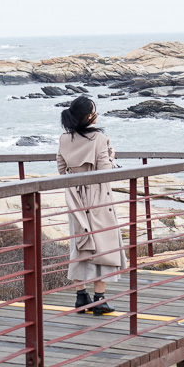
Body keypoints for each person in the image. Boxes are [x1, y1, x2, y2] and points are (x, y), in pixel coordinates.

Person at [56, 96, 124, 315]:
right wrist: (113, 157)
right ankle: (99, 299)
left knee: (81, 244)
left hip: (75, 196)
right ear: (88, 115)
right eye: (94, 110)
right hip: (98, 196)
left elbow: (61, 168)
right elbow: (105, 168)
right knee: (103, 243)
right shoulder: (99, 138)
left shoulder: (65, 138)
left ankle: (80, 297)